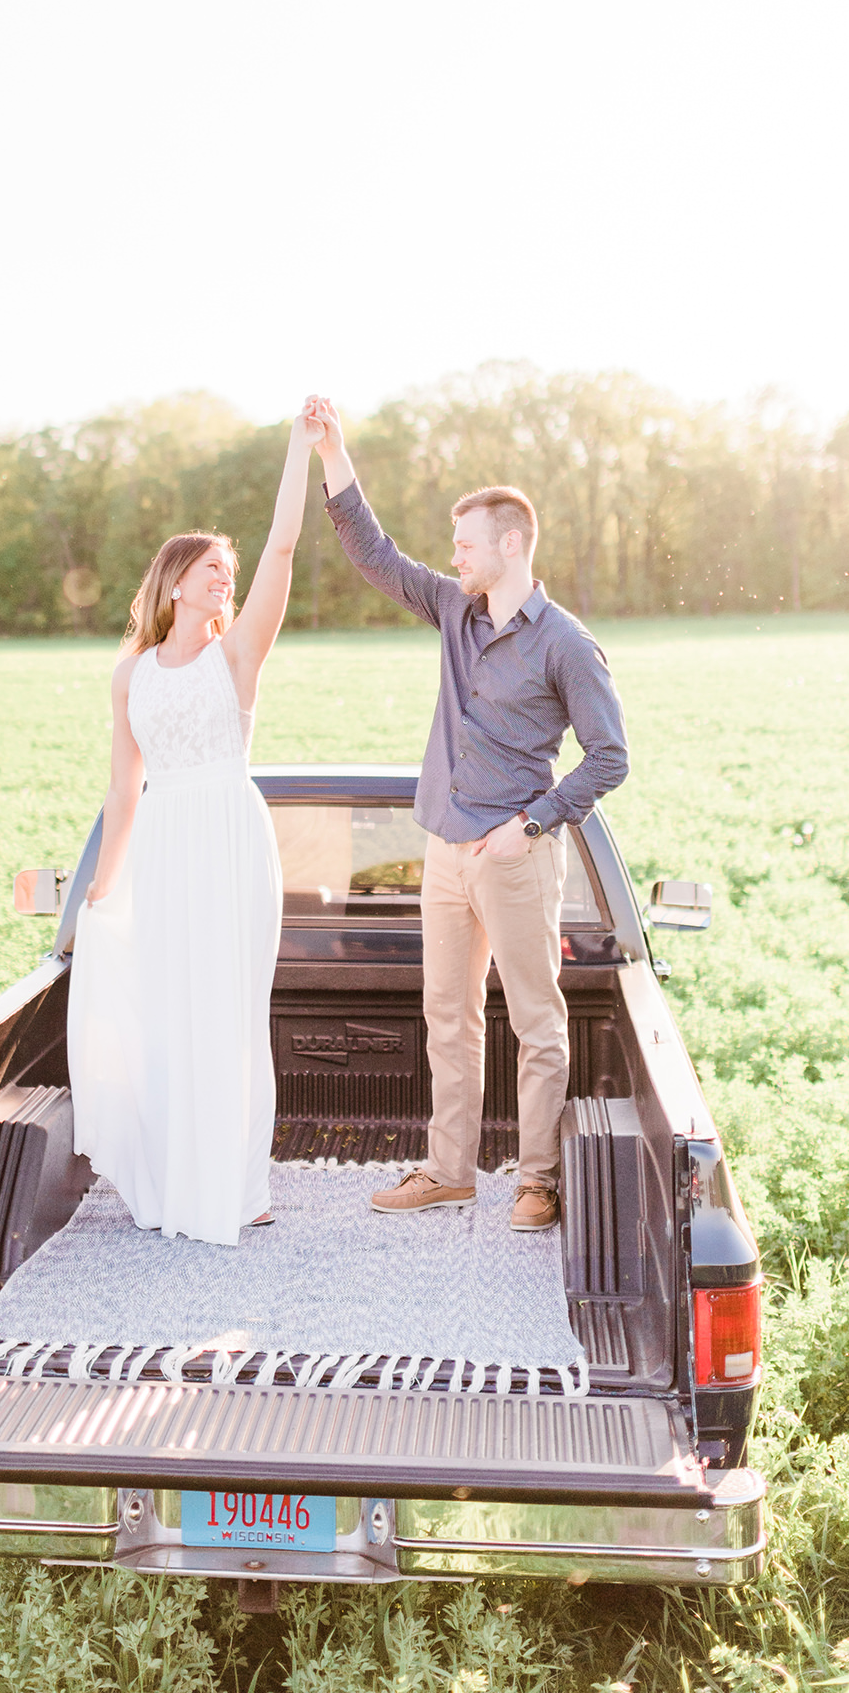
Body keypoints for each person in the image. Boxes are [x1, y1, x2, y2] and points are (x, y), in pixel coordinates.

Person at [309, 396, 629, 1231]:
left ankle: (536, 1182)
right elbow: (374, 555)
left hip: (513, 855)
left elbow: (608, 758)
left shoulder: (565, 644)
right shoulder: (452, 607)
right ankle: (448, 1172)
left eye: (464, 544)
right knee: (445, 1016)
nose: (452, 557)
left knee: (534, 1020)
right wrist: (333, 452)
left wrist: (527, 826)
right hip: (442, 850)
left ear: (510, 544)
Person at [66, 404, 326, 1245]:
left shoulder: (237, 653)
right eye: (213, 568)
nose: (226, 578)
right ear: (175, 580)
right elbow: (120, 793)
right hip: (165, 845)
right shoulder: (130, 674)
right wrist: (97, 896)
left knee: (229, 1010)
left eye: (229, 570)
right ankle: (178, 1178)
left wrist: (302, 449)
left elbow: (283, 548)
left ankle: (239, 1185)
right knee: (169, 1010)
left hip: (229, 835)